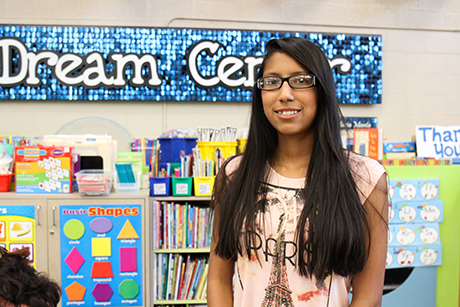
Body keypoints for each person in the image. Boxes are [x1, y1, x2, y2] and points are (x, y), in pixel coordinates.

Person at [207, 36, 388, 307]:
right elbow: (219, 280)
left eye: (300, 80)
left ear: (323, 89)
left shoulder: (366, 178)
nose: (285, 94)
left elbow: (368, 297)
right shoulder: (234, 175)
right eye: (272, 82)